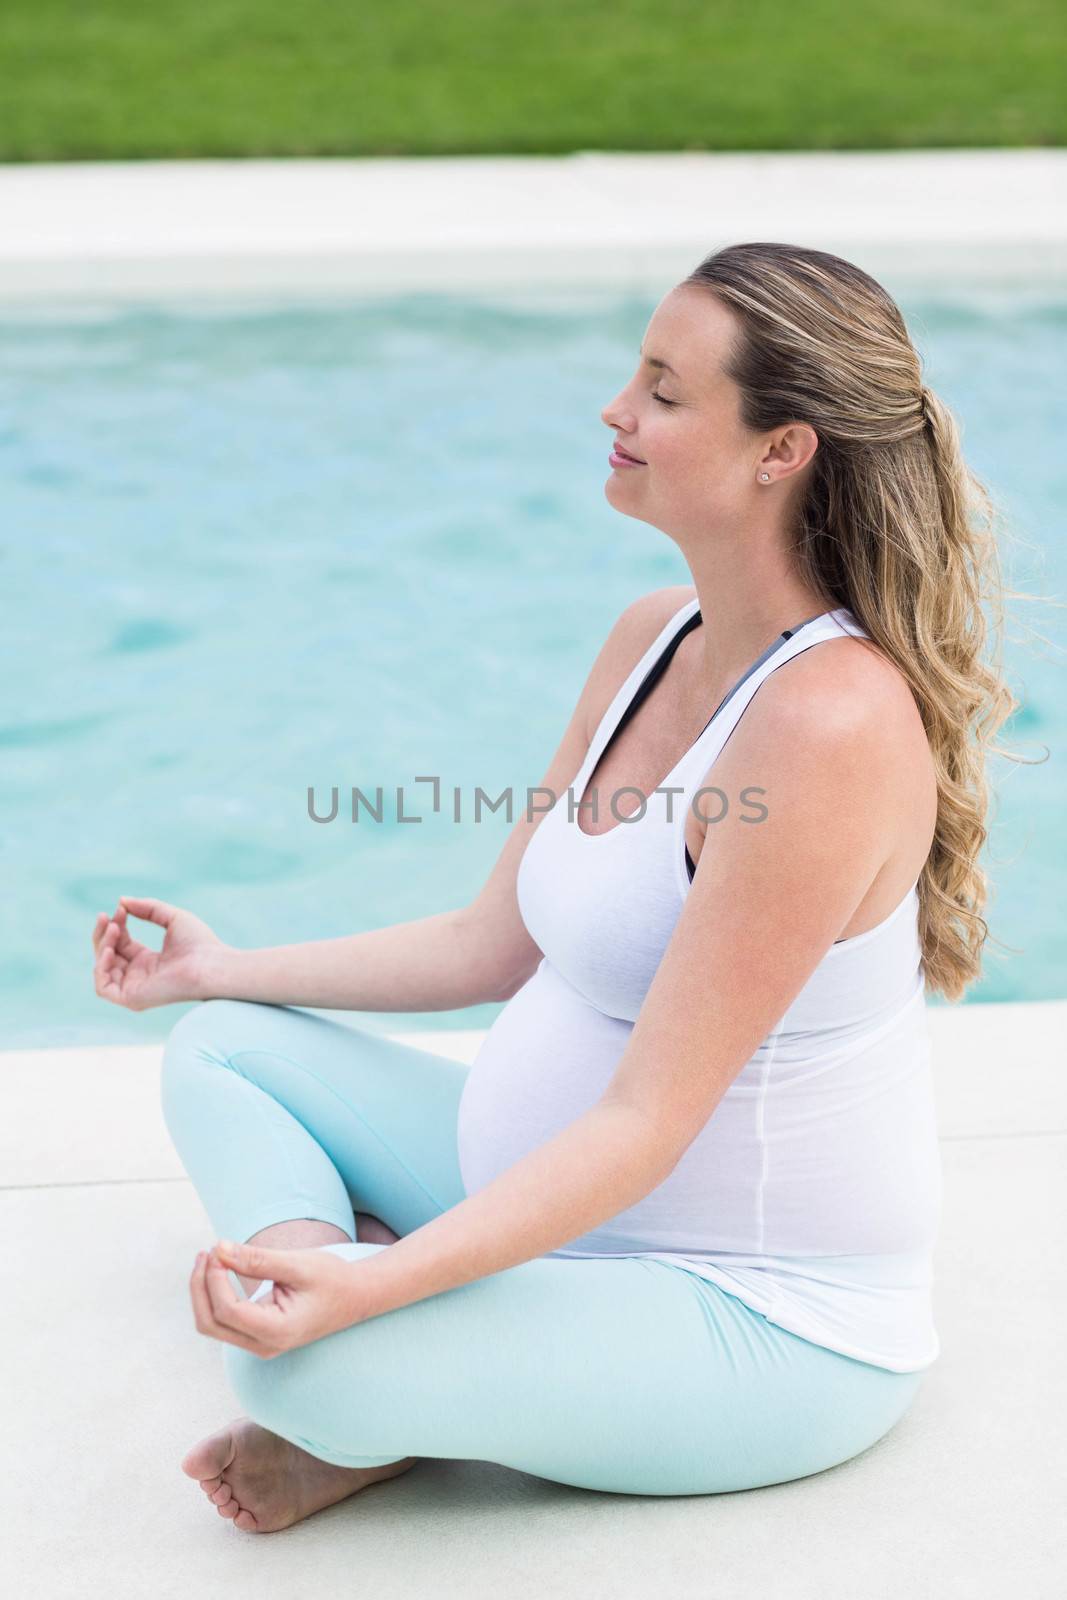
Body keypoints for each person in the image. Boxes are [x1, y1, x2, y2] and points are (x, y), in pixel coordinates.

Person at [92, 242, 1016, 1534]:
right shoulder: (655, 634)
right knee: (228, 1050)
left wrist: (381, 1292)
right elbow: (493, 941)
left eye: (664, 390)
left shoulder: (826, 729)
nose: (615, 410)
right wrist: (221, 967)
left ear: (780, 449)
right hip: (548, 1205)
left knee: (299, 1367)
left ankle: (376, 1343)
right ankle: (340, 1284)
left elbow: (647, 1122)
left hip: (751, 1316)